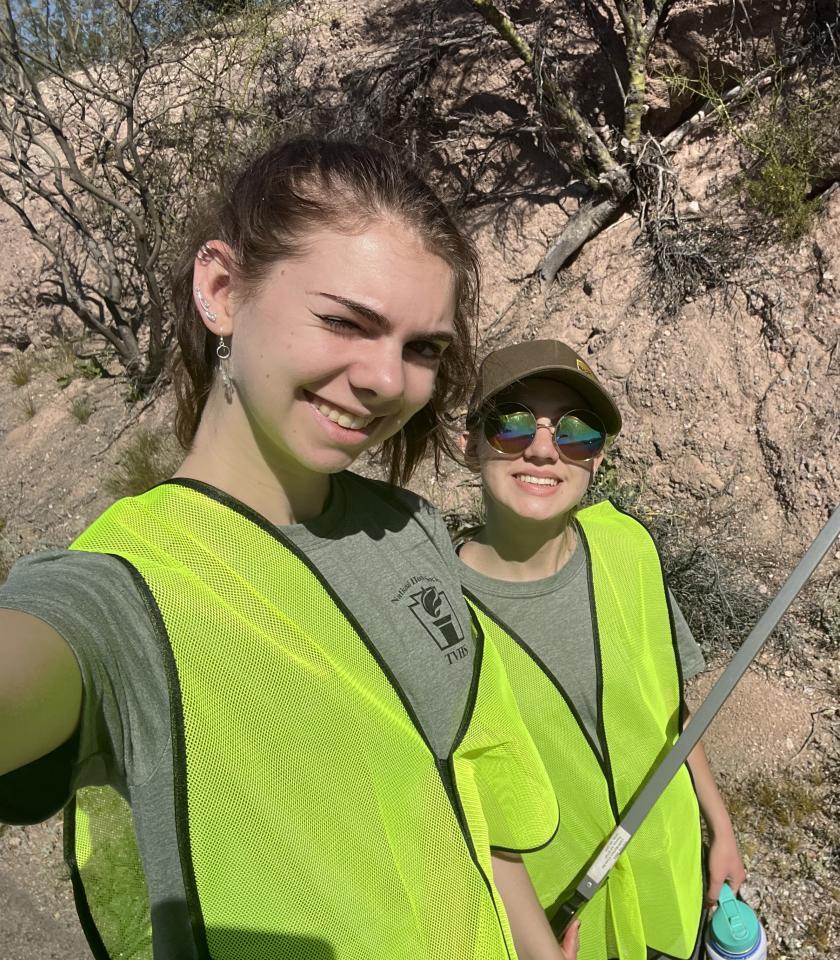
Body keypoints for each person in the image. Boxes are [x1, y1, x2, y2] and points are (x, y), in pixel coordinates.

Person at [0, 138, 577, 960]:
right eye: (345, 321)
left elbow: (467, 778)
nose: (388, 380)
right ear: (221, 292)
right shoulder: (124, 594)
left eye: (423, 348)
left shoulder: (410, 529)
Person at [455, 340, 746, 960]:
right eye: (511, 424)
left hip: (673, 883)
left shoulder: (627, 547)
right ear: (469, 444)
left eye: (576, 431)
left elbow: (668, 708)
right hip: (559, 930)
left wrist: (719, 826)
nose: (543, 449)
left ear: (597, 458)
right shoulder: (437, 615)